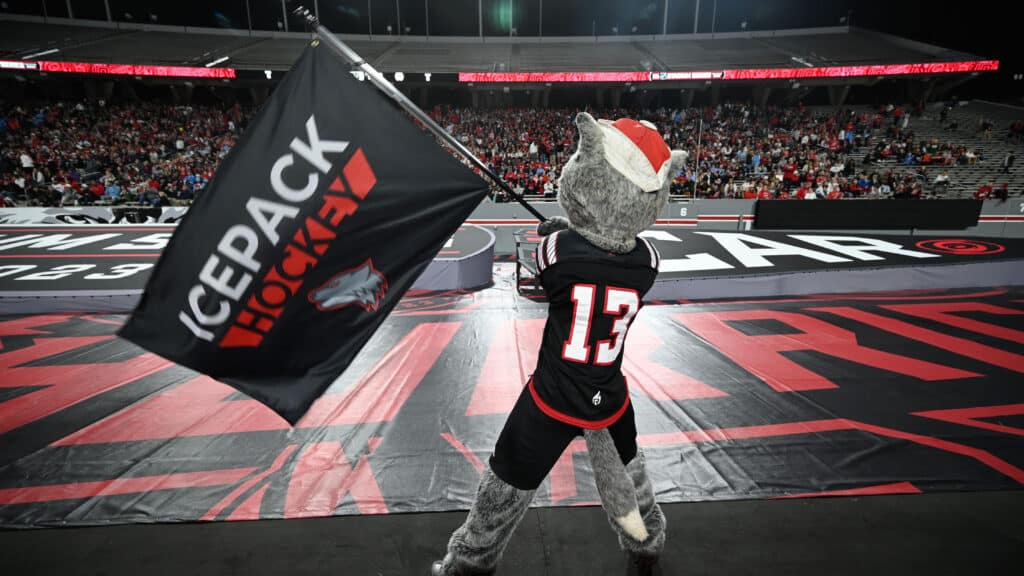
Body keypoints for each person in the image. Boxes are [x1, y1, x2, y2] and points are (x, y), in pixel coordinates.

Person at [433, 113, 687, 576]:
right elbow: (609, 252)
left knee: (504, 489)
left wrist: (562, 230)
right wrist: (573, 234)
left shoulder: (558, 254)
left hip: (551, 399)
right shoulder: (647, 263)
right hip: (610, 399)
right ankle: (647, 551)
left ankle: (468, 564)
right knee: (629, 485)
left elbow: (549, 267)